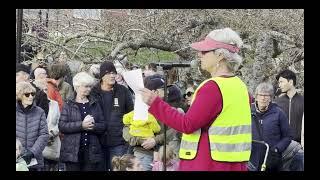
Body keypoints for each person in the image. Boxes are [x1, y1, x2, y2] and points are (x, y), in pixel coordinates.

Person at [140, 28, 252, 171]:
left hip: (208, 164)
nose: (199, 55)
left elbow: (187, 125)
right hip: (233, 164)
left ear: (220, 56)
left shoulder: (213, 88)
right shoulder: (240, 86)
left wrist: (155, 103)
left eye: (205, 51)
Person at [90, 60, 134, 171]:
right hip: (97, 141)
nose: (112, 75)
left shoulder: (123, 91)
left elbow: (131, 113)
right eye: (109, 73)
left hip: (118, 141)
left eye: (114, 73)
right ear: (102, 76)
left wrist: (127, 134)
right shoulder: (93, 92)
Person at [59, 72, 106, 171]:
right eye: (85, 86)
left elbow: (103, 125)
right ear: (77, 87)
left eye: (90, 86)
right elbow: (62, 126)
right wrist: (81, 125)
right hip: (72, 152)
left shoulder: (95, 103)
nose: (89, 89)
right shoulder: (68, 104)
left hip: (91, 151)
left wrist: (93, 126)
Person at [249, 82, 291, 171]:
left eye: (266, 95)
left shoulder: (279, 113)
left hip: (273, 160)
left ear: (271, 98)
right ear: (256, 97)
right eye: (260, 95)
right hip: (251, 159)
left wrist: (276, 149)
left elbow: (287, 136)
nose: (263, 98)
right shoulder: (247, 112)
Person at [16, 81, 49, 171]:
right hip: (17, 158)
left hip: (35, 160)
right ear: (19, 95)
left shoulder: (40, 112)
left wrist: (32, 152)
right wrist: (19, 152)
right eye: (27, 94)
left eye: (32, 94)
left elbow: (44, 135)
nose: (31, 97)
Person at [34, 80, 61, 171]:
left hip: (51, 145)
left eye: (46, 89)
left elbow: (59, 122)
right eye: (41, 90)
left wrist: (52, 133)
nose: (44, 92)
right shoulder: (32, 106)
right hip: (35, 145)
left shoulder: (54, 104)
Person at [275, 69, 304, 144]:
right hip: (281, 146)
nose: (279, 85)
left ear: (290, 82)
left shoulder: (302, 101)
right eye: (279, 82)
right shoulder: (277, 102)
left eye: (281, 82)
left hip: (299, 147)